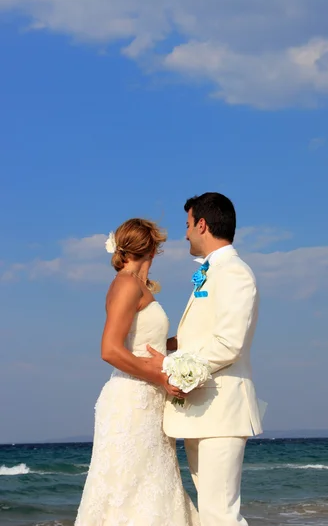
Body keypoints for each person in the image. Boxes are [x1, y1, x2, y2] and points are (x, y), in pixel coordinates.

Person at [75, 218, 199, 526]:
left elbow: (147, 342)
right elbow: (110, 350)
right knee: (132, 490)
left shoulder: (136, 285)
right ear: (153, 249)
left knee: (150, 486)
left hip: (148, 400)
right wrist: (161, 378)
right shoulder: (127, 283)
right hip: (132, 401)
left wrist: (184, 347)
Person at [149, 192, 263, 526]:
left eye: (187, 225)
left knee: (220, 515)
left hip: (222, 411)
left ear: (202, 224)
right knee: (210, 513)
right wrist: (164, 344)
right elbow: (203, 335)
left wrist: (171, 369)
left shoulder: (234, 273)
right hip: (204, 412)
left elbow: (229, 344)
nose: (184, 234)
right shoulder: (215, 271)